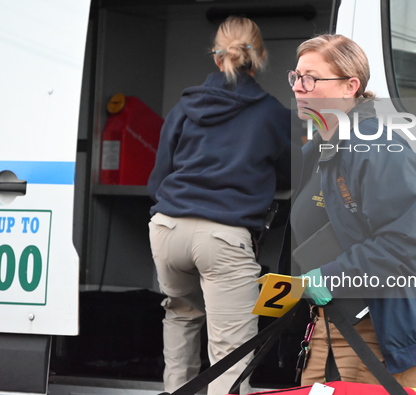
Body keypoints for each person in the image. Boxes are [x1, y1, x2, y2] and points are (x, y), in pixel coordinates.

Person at [288, 34, 416, 389]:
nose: (300, 88)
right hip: (331, 326)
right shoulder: (319, 151)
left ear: (350, 86)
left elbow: (412, 242)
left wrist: (332, 276)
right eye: (296, 77)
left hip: (382, 336)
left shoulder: (377, 149)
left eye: (311, 78)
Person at [147, 16, 292, 395]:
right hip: (223, 237)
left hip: (167, 230)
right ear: (259, 58)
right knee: (230, 350)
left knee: (181, 316)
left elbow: (157, 178)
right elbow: (293, 175)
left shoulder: (183, 107)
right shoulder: (272, 114)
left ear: (216, 57)